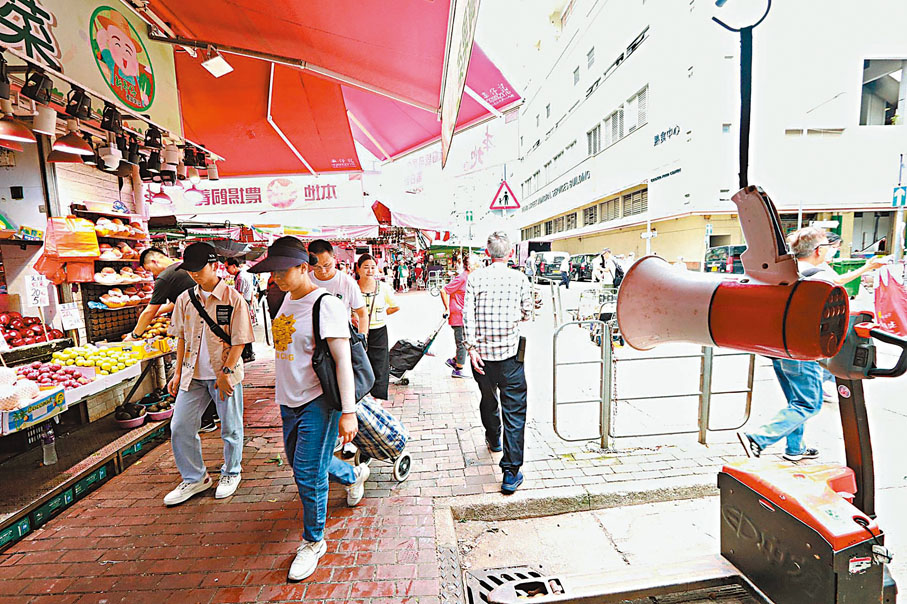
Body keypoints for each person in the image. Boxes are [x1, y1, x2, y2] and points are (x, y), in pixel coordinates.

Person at [247, 237, 365, 582]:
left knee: (306, 473)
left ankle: (314, 541)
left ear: (303, 267)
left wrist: (348, 411)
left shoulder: (324, 304)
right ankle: (353, 474)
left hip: (317, 401)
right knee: (304, 463)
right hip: (288, 400)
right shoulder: (285, 300)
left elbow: (342, 361)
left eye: (283, 271)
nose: (277, 278)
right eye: (273, 273)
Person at [163, 242, 254, 505]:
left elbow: (240, 341)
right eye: (190, 270)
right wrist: (177, 372)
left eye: (198, 269)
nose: (194, 274)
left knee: (231, 427)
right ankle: (195, 478)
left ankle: (231, 472)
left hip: (223, 374)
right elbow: (180, 338)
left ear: (215, 266)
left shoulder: (233, 299)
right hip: (192, 375)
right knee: (180, 426)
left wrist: (226, 372)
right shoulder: (184, 299)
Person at [739, 227, 837, 462]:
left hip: (780, 347)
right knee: (808, 404)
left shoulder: (786, 273)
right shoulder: (820, 277)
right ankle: (758, 437)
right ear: (817, 250)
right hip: (802, 350)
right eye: (827, 246)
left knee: (796, 402)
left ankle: (795, 448)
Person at [463, 232, 533, 494]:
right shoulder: (520, 279)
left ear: (487, 252)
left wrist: (471, 348)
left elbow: (466, 314)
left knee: (488, 397)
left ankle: (494, 439)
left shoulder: (475, 278)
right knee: (514, 412)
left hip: (481, 356)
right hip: (511, 356)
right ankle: (510, 472)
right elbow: (528, 312)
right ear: (511, 254)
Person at [306, 239, 370, 504]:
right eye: (316, 266)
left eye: (327, 265)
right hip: (314, 354)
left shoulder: (345, 283)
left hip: (340, 349)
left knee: (344, 400)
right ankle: (337, 448)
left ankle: (346, 443)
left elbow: (361, 312)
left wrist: (361, 341)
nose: (322, 271)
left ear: (335, 259)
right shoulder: (305, 280)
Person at [131, 247, 220, 433]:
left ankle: (205, 420)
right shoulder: (182, 269)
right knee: (207, 369)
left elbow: (149, 310)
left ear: (154, 262)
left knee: (195, 375)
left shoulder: (165, 276)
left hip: (195, 331)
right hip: (209, 328)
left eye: (148, 269)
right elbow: (176, 302)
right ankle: (215, 413)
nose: (151, 274)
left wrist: (134, 336)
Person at [356, 254, 400, 399]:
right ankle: (360, 394)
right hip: (357, 331)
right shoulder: (353, 287)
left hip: (379, 330)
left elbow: (395, 306)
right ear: (358, 269)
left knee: (380, 363)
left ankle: (378, 397)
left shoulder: (384, 288)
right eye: (366, 267)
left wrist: (381, 314)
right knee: (359, 361)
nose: (369, 270)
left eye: (373, 267)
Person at [441, 255, 477, 379]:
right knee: (462, 343)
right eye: (477, 264)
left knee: (468, 342)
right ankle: (458, 369)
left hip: (465, 315)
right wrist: (447, 308)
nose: (479, 266)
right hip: (458, 315)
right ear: (470, 266)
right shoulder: (462, 278)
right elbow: (444, 290)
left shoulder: (470, 278)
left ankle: (455, 360)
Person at [226, 258, 256, 360]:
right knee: (245, 328)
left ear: (234, 266)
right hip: (246, 303)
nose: (226, 270)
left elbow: (239, 295)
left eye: (227, 267)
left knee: (242, 329)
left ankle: (248, 354)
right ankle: (248, 353)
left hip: (243, 303)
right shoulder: (242, 275)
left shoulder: (240, 278)